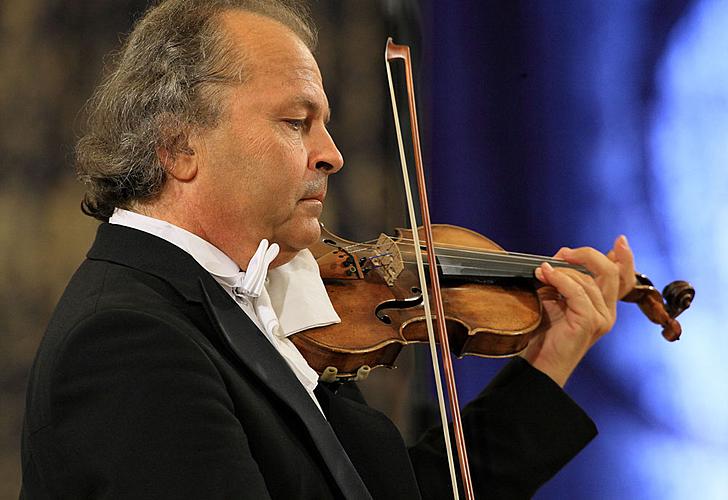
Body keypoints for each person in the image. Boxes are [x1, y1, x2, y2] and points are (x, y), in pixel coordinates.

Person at [20, 1, 636, 498]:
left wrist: (550, 359)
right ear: (180, 147)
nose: (332, 154)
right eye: (297, 122)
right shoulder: (129, 339)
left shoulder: (256, 306)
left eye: (325, 123)